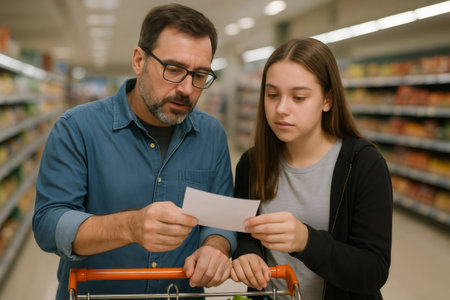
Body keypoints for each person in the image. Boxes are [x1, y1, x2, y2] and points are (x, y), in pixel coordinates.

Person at [33, 4, 236, 299]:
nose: (187, 89)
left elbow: (220, 217)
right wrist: (129, 226)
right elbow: (49, 224)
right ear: (139, 60)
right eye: (174, 69)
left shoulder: (212, 135)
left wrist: (215, 247)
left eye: (200, 76)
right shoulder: (77, 128)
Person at [230, 38, 393, 300]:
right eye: (272, 95)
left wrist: (306, 241)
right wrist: (247, 253)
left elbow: (373, 269)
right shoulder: (252, 163)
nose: (281, 109)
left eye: (299, 97)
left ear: (327, 99)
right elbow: (245, 233)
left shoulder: (362, 164)